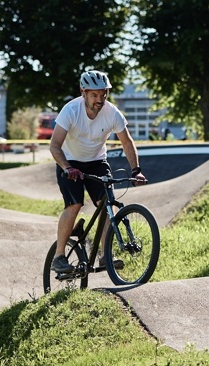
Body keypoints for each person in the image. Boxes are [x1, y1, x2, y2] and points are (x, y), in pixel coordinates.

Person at [49, 70, 147, 274]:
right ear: (83, 92)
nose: (100, 99)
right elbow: (55, 146)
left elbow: (127, 142)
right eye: (94, 95)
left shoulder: (112, 113)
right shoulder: (70, 111)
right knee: (75, 204)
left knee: (106, 205)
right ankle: (58, 257)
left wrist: (136, 170)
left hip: (96, 162)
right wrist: (67, 168)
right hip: (69, 162)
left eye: (103, 94)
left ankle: (105, 257)